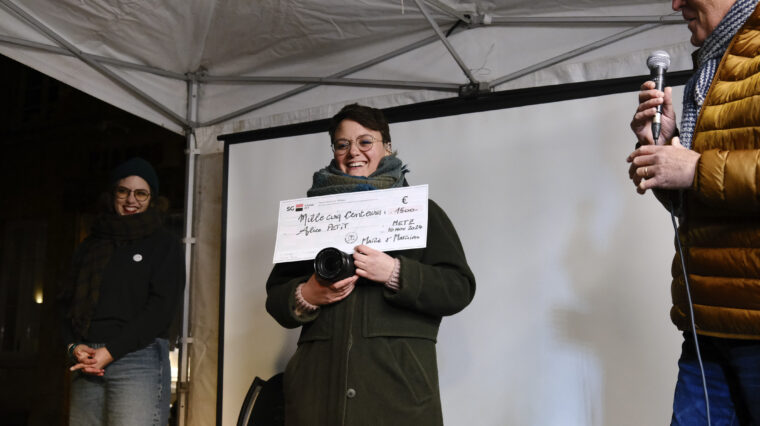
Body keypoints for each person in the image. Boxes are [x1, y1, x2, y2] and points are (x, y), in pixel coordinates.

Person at [265, 104, 476, 426]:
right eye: (342, 144)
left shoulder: (421, 210)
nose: (354, 152)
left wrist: (395, 273)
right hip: (318, 392)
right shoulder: (310, 216)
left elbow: (458, 288)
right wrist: (306, 294)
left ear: (386, 147)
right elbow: (275, 298)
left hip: (396, 395)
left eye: (365, 141)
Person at [628, 0, 760, 423]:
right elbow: (699, 199)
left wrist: (696, 168)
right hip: (706, 326)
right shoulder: (716, 62)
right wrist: (663, 148)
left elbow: (701, 174)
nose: (675, 3)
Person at [59, 157, 185, 425]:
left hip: (138, 358)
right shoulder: (90, 245)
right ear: (112, 194)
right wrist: (73, 346)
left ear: (152, 198)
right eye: (123, 191)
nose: (131, 200)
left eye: (141, 193)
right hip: (87, 361)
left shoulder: (164, 244)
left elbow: (161, 309)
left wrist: (110, 351)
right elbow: (64, 303)